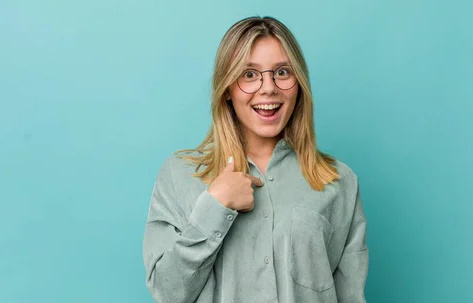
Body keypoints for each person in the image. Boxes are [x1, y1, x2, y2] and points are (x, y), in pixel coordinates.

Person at [142, 16, 369, 303]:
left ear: (298, 83)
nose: (268, 88)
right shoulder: (180, 175)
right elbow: (167, 292)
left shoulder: (339, 182)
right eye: (249, 74)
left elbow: (349, 295)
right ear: (227, 88)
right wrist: (215, 206)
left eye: (282, 72)